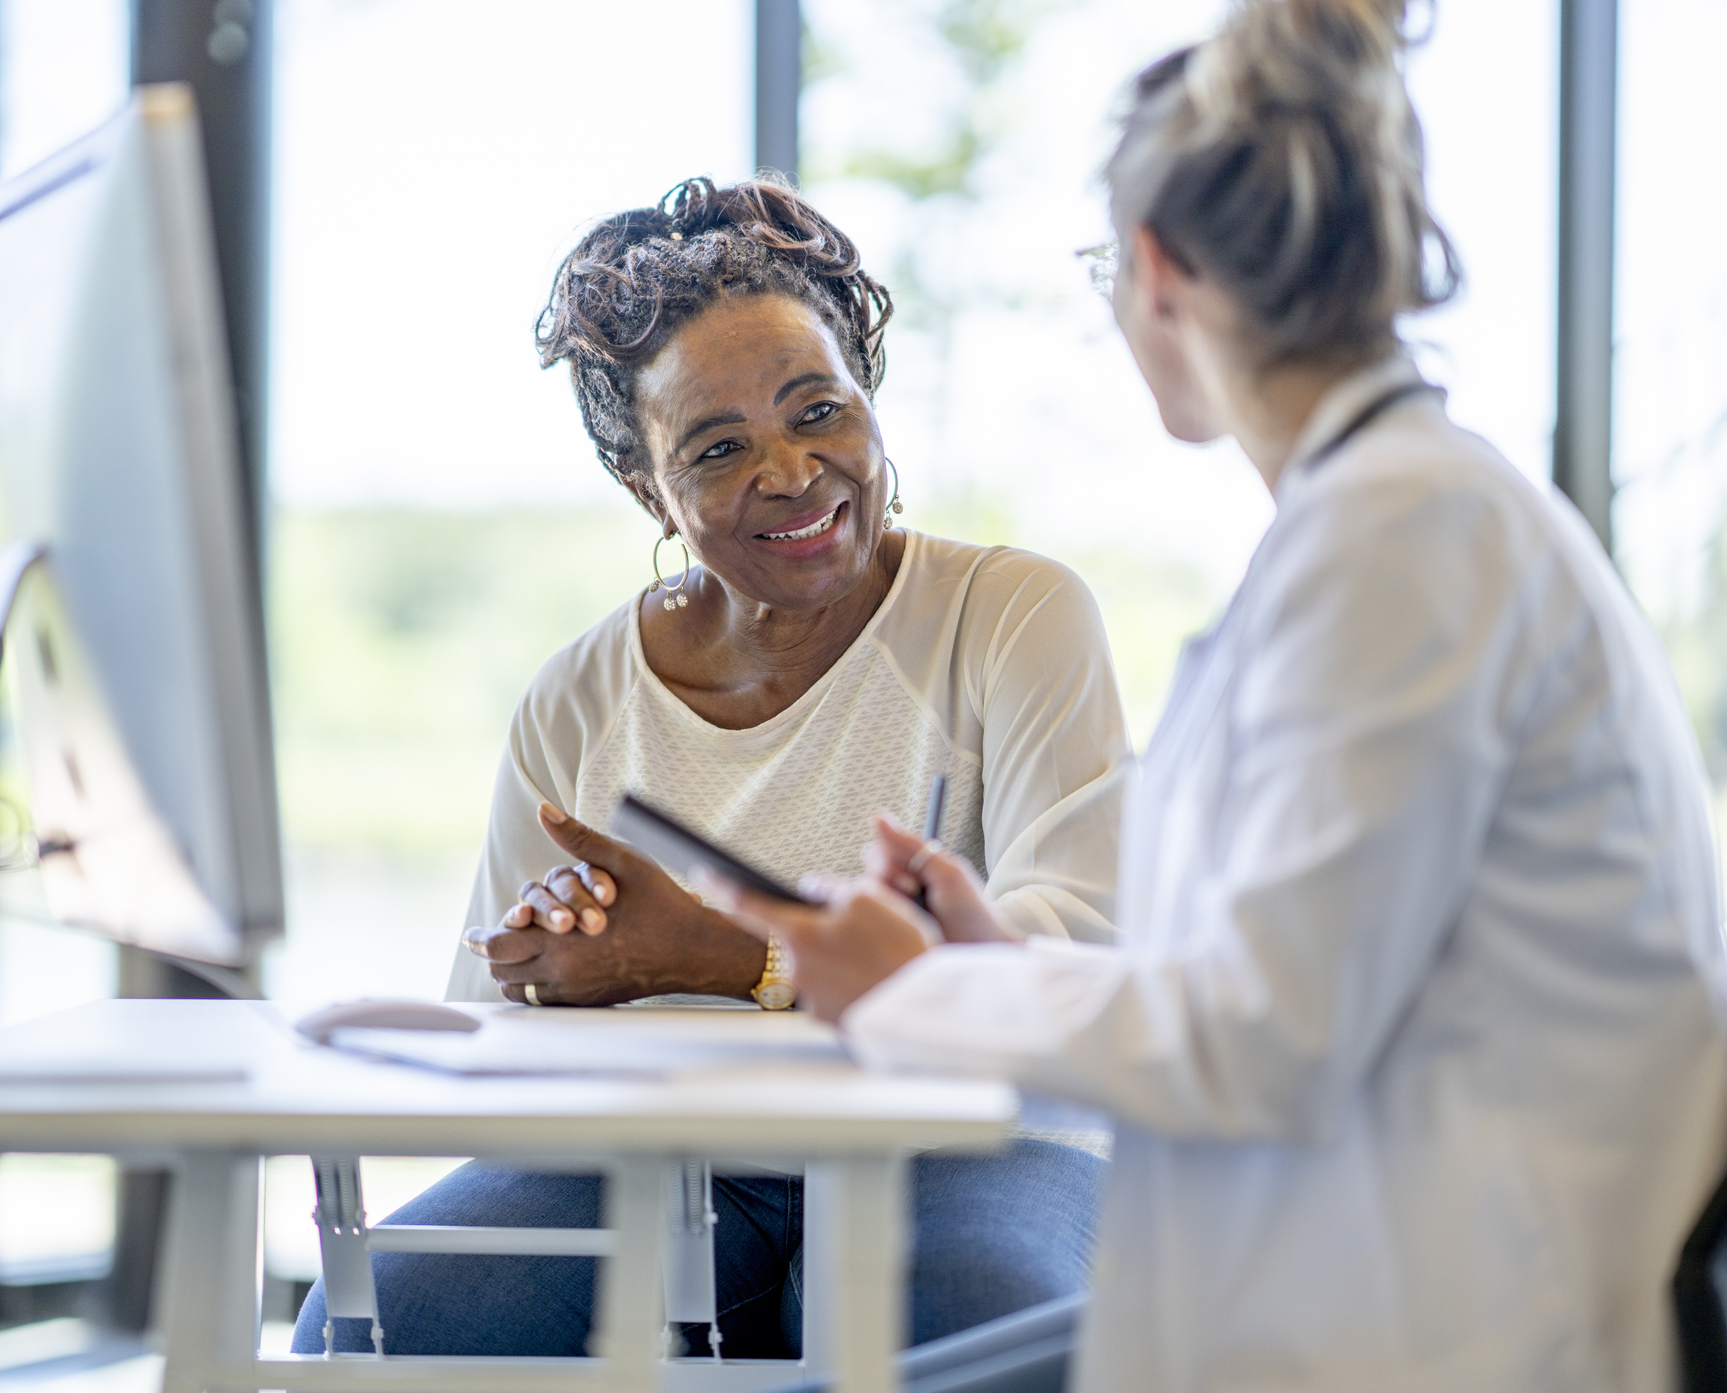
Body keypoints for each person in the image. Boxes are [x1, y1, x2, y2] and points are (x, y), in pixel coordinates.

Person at [706, 0, 1727, 1391]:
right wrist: (997, 971)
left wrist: (910, 996)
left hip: (1477, 1329)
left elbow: (1265, 1041)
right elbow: (1290, 973)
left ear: (1156, 268)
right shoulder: (1391, 521)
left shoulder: (1406, 542)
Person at [290, 177, 1128, 1358]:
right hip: (685, 1159)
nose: (790, 474)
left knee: (956, 1314)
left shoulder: (1009, 614)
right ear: (646, 485)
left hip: (975, 1138)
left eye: (819, 412)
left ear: (869, 402)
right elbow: (484, 1023)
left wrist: (720, 955)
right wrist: (556, 964)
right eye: (720, 446)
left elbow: (1076, 938)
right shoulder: (578, 695)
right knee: (373, 1318)